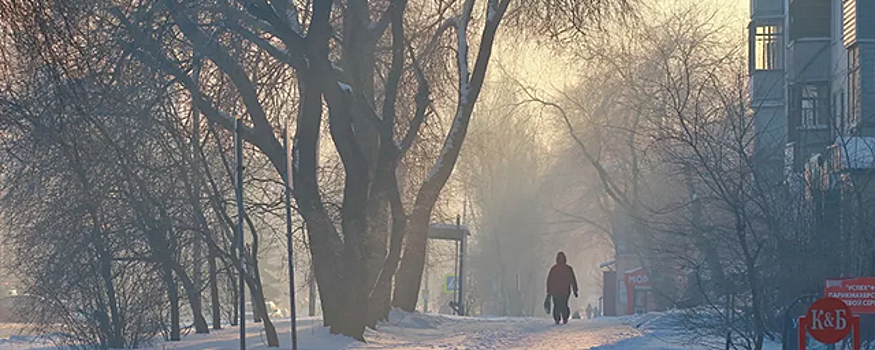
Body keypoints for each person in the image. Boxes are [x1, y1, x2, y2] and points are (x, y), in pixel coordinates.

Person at [546, 251, 579, 324]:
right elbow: (572, 280)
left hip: (556, 292)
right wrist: (575, 290)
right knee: (564, 304)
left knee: (557, 305)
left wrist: (549, 291)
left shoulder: (554, 269)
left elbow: (550, 280)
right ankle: (565, 317)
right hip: (565, 291)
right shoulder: (568, 269)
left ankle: (557, 319)